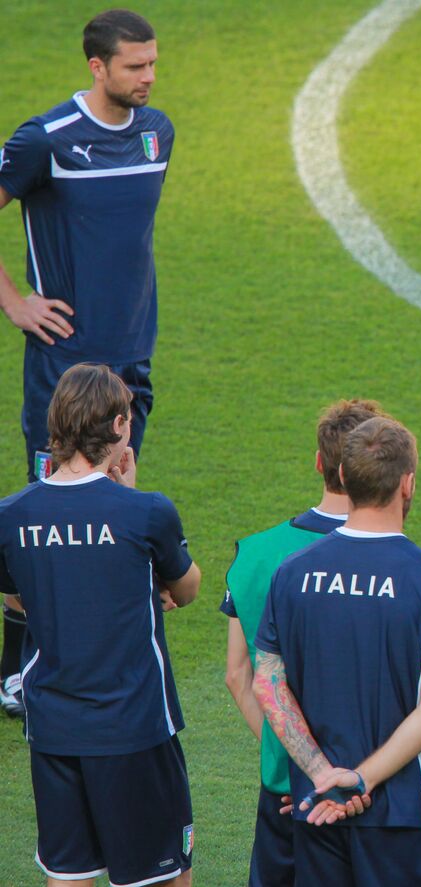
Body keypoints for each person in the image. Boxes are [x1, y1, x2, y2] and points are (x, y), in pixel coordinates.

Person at [0, 8, 174, 719]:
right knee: (52, 516)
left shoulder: (158, 132)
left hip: (132, 361)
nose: (149, 77)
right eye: (134, 66)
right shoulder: (46, 140)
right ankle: (20, 671)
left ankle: (97, 652)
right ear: (96, 67)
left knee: (113, 506)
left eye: (153, 64)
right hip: (65, 369)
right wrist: (14, 301)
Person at [0, 362, 201, 887]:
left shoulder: (11, 516)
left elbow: (17, 596)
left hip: (54, 727)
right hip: (134, 726)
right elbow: (186, 588)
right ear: (116, 428)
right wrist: (130, 497)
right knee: (165, 878)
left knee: (68, 874)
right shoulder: (146, 513)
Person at [253, 416, 421, 887]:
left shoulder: (292, 574)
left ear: (345, 478)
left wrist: (323, 775)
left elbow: (267, 684)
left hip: (317, 811)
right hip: (409, 818)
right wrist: (361, 777)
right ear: (408, 483)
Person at [221, 398, 386, 887]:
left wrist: (297, 764)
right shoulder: (390, 558)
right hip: (365, 790)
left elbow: (238, 676)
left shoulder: (253, 553)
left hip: (285, 788)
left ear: (320, 463)